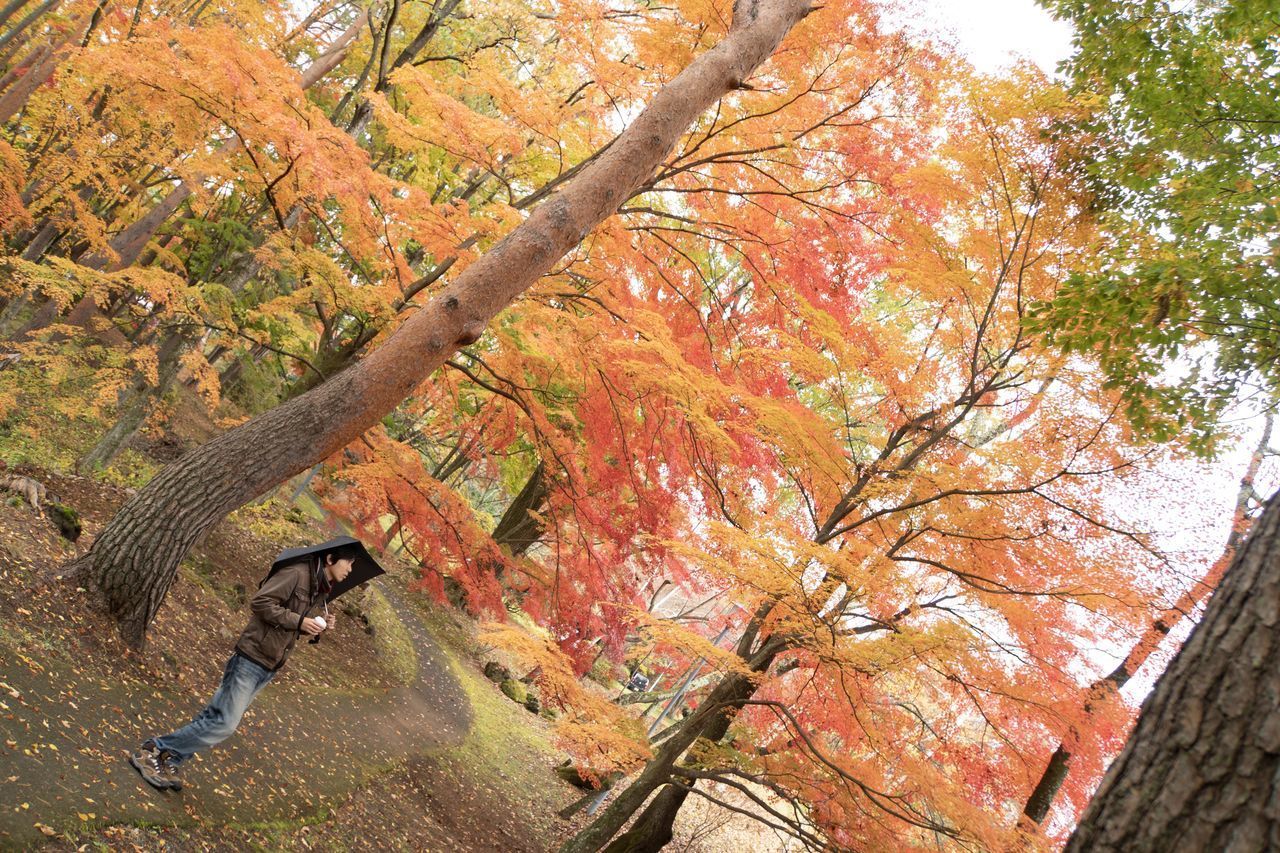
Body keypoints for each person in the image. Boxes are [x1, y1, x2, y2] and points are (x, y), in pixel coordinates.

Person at [127, 544, 357, 791]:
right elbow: (261, 602)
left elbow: (298, 620)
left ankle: (170, 759)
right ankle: (155, 749)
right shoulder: (297, 573)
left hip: (270, 664)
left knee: (213, 717)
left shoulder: (319, 589)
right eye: (349, 563)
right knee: (225, 723)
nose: (351, 570)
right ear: (331, 558)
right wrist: (300, 621)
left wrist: (320, 624)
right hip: (251, 657)